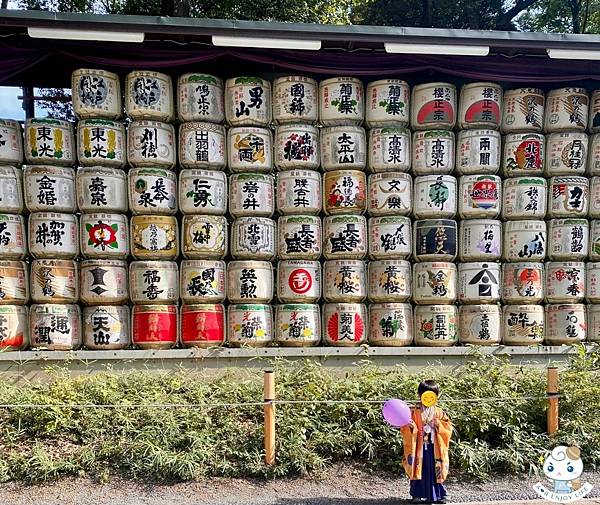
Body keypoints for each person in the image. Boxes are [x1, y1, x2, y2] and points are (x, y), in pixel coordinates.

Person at [400, 380, 452, 504]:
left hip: (435, 448)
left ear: (436, 396)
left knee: (436, 470)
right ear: (419, 395)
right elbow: (405, 427)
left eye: (432, 394)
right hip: (418, 447)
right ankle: (416, 495)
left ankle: (440, 494)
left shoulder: (439, 412)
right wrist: (411, 426)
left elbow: (448, 427)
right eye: (425, 394)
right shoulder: (413, 411)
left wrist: (438, 424)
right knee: (418, 469)